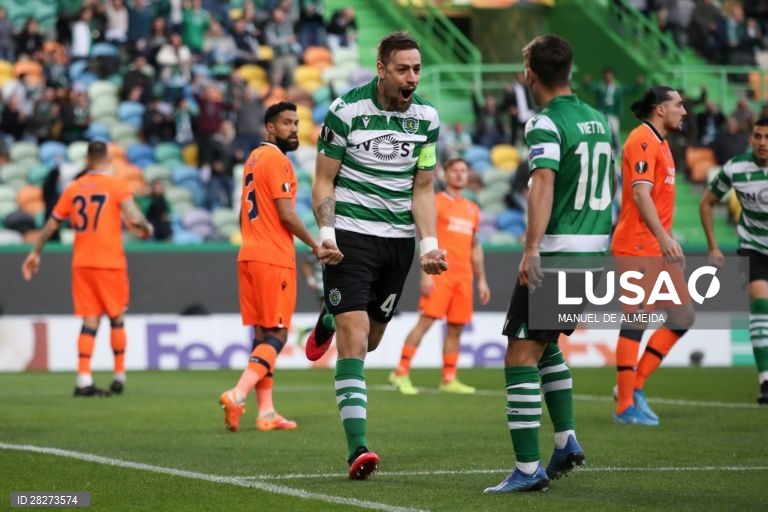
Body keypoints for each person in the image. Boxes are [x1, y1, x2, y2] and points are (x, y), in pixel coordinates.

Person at [306, 32, 446, 480]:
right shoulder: (346, 111)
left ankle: (328, 317)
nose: (412, 78)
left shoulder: (426, 117)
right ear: (381, 68)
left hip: (398, 242)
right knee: (356, 333)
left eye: (418, 69)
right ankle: (358, 449)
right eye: (403, 69)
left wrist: (428, 245)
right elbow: (323, 180)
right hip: (350, 235)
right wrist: (326, 233)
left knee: (371, 341)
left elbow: (423, 188)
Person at [485, 35, 614, 494]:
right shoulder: (599, 119)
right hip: (592, 251)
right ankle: (565, 442)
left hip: (557, 251)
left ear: (530, 73)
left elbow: (543, 184)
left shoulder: (545, 122)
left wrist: (532, 248)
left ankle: (526, 468)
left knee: (520, 354)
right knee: (548, 344)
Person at [218, 102, 341, 433]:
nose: (293, 128)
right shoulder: (277, 160)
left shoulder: (252, 160)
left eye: (296, 123)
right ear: (269, 128)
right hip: (272, 256)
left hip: (249, 253)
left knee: (262, 335)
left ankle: (267, 412)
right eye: (286, 123)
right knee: (278, 334)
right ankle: (238, 394)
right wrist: (316, 244)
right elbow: (286, 214)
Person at [21, 141, 153, 397]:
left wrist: (35, 252)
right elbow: (134, 216)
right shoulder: (116, 185)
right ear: (107, 159)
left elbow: (51, 224)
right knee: (116, 317)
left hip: (82, 263)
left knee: (89, 321)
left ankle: (83, 379)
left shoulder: (74, 188)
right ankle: (119, 376)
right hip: (109, 262)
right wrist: (146, 227)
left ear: (88, 160)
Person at [611, 86, 693, 427]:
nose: (684, 111)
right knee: (635, 321)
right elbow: (640, 194)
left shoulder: (661, 143)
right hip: (637, 246)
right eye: (678, 104)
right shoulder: (642, 139)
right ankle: (625, 406)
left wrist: (668, 240)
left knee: (682, 316)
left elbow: (656, 200)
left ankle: (634, 386)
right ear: (660, 109)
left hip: (657, 247)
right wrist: (664, 237)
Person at [389, 157, 490, 395]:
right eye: (454, 170)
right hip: (440, 275)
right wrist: (426, 274)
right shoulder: (436, 202)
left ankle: (448, 378)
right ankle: (400, 372)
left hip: (464, 277)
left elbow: (475, 246)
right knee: (425, 323)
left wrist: (482, 278)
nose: (459, 174)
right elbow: (423, 236)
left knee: (456, 328)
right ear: (445, 175)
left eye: (464, 170)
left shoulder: (472, 209)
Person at [700, 118, 768, 405]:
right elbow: (706, 203)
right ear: (750, 138)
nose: (763, 142)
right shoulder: (735, 168)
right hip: (754, 247)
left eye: (767, 137)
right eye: (758, 136)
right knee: (760, 303)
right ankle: (766, 380)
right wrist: (713, 246)